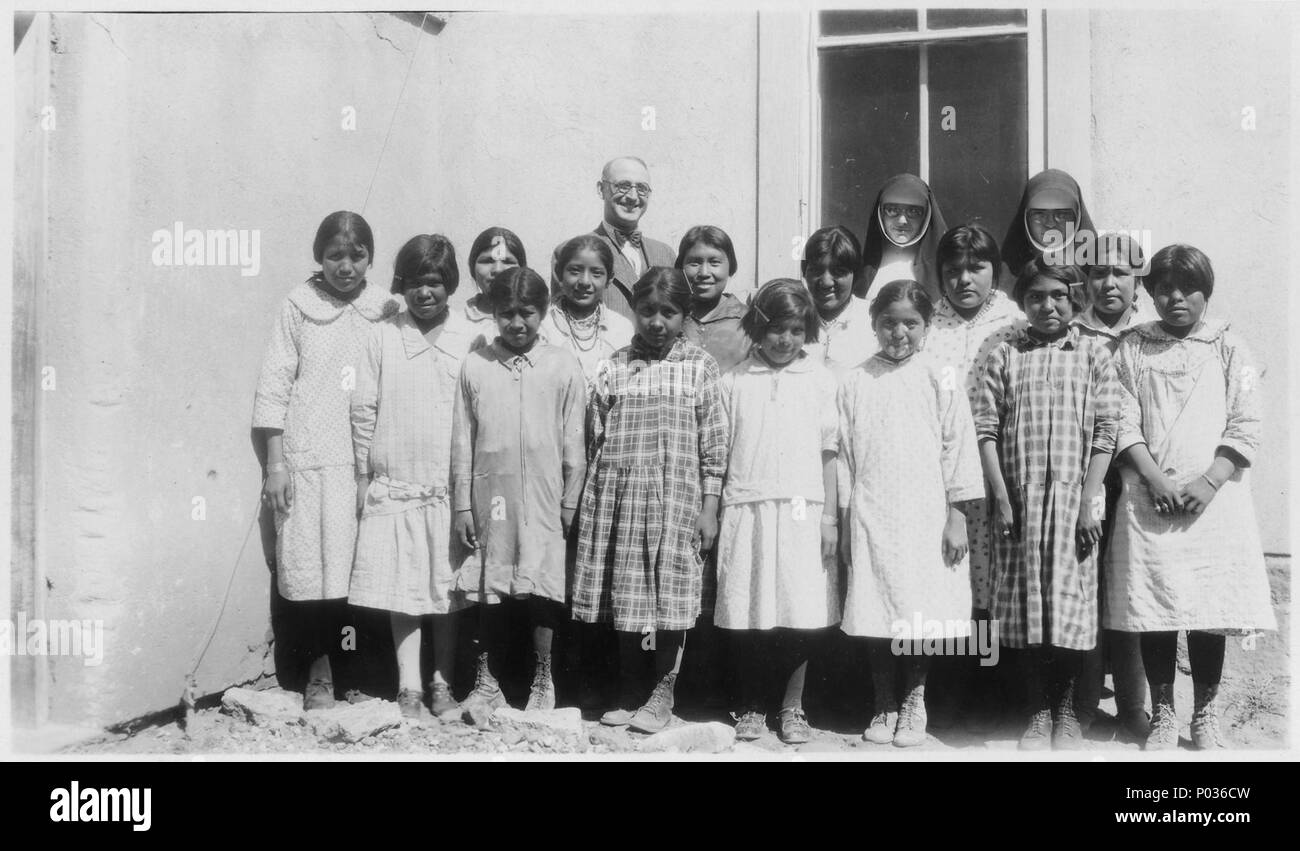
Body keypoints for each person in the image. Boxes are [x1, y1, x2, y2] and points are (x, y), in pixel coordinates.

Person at [1104, 244, 1276, 751]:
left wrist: (1210, 481)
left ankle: (1205, 715)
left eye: (1187, 288)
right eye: (1163, 287)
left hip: (1212, 503)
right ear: (1150, 292)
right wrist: (1154, 478)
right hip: (1150, 499)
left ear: (1207, 292)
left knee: (1206, 613)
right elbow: (1120, 418)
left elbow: (1246, 421)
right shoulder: (1132, 348)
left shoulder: (1229, 347)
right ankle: (1162, 714)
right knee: (1157, 610)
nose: (1175, 297)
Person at [572, 267, 728, 733]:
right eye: (647, 311)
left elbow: (714, 443)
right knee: (628, 595)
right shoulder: (614, 365)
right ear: (634, 311)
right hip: (621, 498)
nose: (657, 321)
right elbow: (594, 438)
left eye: (669, 312)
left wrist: (709, 505)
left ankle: (663, 691)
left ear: (685, 315)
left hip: (676, 499)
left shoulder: (699, 366)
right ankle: (631, 688)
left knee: (670, 597)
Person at [972, 257, 1119, 751]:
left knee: (1070, 607)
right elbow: (986, 431)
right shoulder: (1006, 355)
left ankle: (1068, 713)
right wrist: (1002, 498)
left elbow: (1106, 434)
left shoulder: (1094, 355)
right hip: (1021, 504)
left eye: (1058, 295)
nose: (1048, 305)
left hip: (1076, 503)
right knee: (1028, 608)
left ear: (1074, 298)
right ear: (1022, 303)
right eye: (1037, 297)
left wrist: (1087, 503)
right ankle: (1036, 712)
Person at [254, 211, 399, 710]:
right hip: (309, 457)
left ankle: (354, 670)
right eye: (335, 255)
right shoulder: (298, 305)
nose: (346, 266)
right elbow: (274, 386)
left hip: (363, 459)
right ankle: (318, 673)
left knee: (358, 573)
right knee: (314, 570)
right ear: (319, 256)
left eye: (357, 255)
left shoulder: (384, 307)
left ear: (370, 258)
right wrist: (276, 465)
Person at [839, 280, 984, 747]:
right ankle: (883, 699)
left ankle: (914, 699)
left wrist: (957, 515)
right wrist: (843, 518)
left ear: (925, 326)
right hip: (872, 510)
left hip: (926, 511)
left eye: (910, 323)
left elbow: (958, 444)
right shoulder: (855, 379)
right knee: (875, 604)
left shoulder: (940, 373)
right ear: (874, 323)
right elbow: (842, 456)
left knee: (919, 608)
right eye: (888, 322)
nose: (898, 332)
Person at [349, 234, 477, 720]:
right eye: (417, 283)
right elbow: (363, 408)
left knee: (446, 590)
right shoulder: (382, 336)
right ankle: (409, 686)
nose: (426, 293)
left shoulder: (470, 337)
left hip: (449, 487)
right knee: (402, 588)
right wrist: (364, 474)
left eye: (436, 283)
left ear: (450, 286)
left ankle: (442, 680)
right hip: (397, 482)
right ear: (402, 286)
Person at [451, 267, 587, 719]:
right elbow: (462, 441)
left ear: (543, 311)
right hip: (493, 495)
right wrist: (462, 505)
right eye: (506, 313)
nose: (516, 323)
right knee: (493, 583)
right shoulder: (476, 365)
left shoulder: (562, 364)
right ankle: (487, 679)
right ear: (493, 313)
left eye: (526, 313)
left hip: (546, 496)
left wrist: (571, 499)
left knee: (542, 587)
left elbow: (574, 440)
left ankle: (542, 677)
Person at [715, 279, 841, 745]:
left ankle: (792, 707)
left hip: (803, 510)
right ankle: (750, 704)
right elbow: (721, 452)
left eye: (793, 330)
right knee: (751, 612)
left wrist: (829, 518)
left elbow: (831, 452)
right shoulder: (733, 380)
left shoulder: (822, 380)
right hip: (747, 507)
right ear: (757, 327)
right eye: (774, 330)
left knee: (798, 610)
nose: (784, 340)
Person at [922, 223, 1024, 730]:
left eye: (976, 267)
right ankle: (948, 695)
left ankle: (995, 695)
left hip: (1000, 474)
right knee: (952, 577)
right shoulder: (928, 326)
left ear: (995, 270)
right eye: (953, 269)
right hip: (941, 477)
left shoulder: (1014, 323)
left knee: (995, 583)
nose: (964, 279)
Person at [1071, 231, 1156, 741]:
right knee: (1085, 588)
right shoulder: (1073, 334)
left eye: (1119, 274)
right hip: (1085, 481)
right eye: (1098, 273)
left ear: (1135, 281)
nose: (1108, 283)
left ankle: (1133, 704)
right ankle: (1081, 702)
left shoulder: (1149, 335)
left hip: (1137, 484)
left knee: (1130, 591)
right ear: (1084, 280)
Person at [551, 157, 675, 322]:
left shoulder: (665, 254)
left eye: (642, 188)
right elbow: (561, 322)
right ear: (601, 189)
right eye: (623, 186)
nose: (633, 196)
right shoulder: (569, 252)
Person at [542, 234, 634, 386]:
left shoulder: (622, 328)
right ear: (559, 273)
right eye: (575, 271)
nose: (584, 281)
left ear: (609, 279)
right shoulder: (544, 326)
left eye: (596, 273)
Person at [857, 174, 949, 304]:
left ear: (926, 216)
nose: (902, 220)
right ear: (880, 213)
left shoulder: (946, 267)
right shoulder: (862, 267)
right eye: (892, 210)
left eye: (914, 212)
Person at [799, 226, 877, 376]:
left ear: (856, 274)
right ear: (804, 272)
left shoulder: (873, 319)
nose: (826, 282)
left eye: (839, 272)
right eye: (816, 270)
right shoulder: (791, 318)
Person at [678, 225, 751, 373]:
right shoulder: (671, 316)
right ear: (681, 267)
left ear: (731, 267)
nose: (704, 272)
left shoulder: (749, 320)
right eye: (695, 262)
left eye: (714, 262)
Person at [1001, 168, 1096, 276]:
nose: (1050, 223)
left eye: (1062, 215)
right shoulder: (1005, 277)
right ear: (1025, 218)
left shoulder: (1097, 273)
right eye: (1039, 214)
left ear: (1077, 218)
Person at [462, 227, 526, 351]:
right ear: (472, 268)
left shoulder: (538, 321)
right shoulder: (458, 323)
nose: (498, 269)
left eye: (507, 261)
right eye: (487, 261)